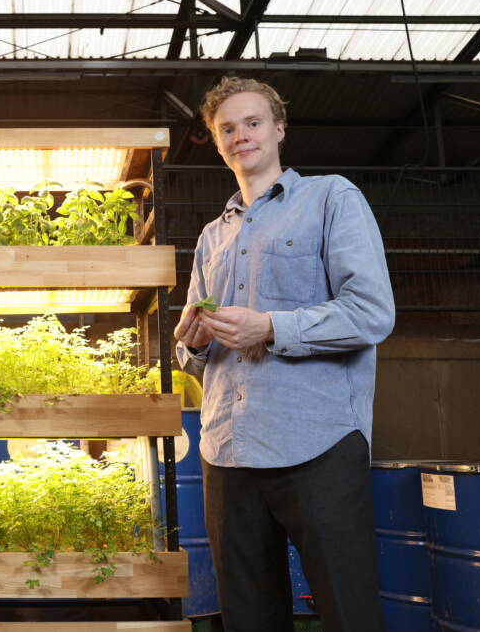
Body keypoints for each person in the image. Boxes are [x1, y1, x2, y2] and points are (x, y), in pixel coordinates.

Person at [173, 76, 394, 631]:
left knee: (348, 612)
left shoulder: (331, 198)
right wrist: (192, 344)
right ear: (217, 143)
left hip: (316, 441)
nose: (240, 135)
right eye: (227, 128)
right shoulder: (210, 238)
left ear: (278, 129)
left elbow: (371, 312)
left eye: (252, 123)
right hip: (226, 448)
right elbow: (196, 356)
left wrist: (270, 327)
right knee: (248, 617)